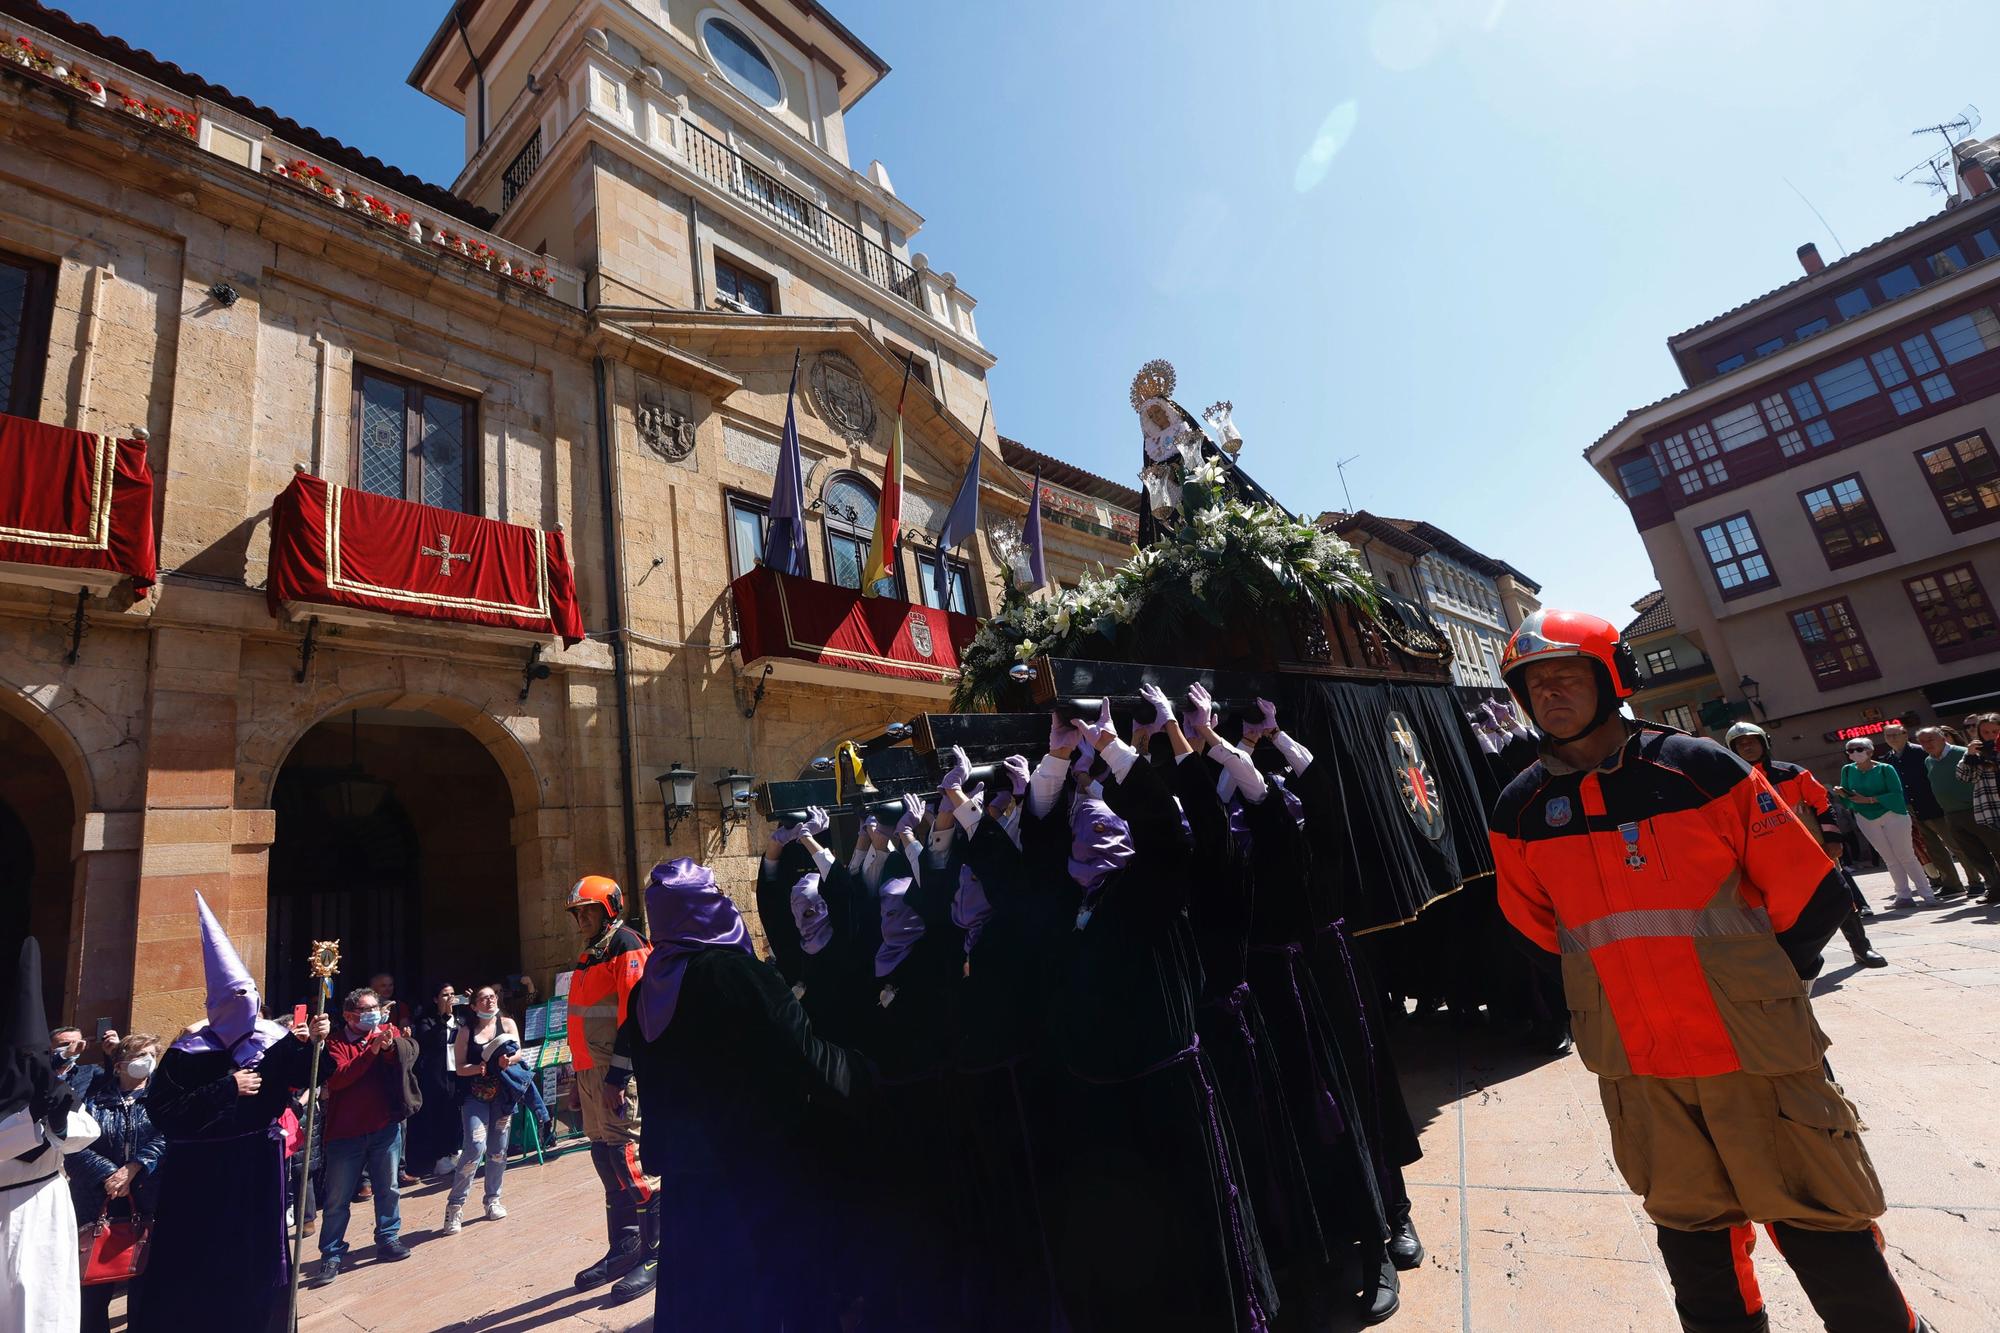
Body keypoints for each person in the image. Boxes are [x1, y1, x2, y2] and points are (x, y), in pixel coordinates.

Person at [1489, 609, 1930, 1333]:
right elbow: (1537, 931)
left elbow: (1811, 890)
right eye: (1534, 685)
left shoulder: (1697, 767)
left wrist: (1753, 989)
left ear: (1614, 678)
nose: (1550, 695)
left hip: (1756, 1055)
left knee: (1822, 1223)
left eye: (1568, 677)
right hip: (1640, 1066)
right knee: (1694, 1244)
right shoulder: (1521, 809)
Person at [614, 857, 869, 1332]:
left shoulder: (649, 987)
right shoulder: (735, 973)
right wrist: (871, 1073)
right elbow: (804, 1054)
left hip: (691, 1174)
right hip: (755, 1168)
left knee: (705, 1293)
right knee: (776, 1289)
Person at [136, 892, 328, 1331]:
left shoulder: (271, 1038)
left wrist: (315, 1040)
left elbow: (314, 1074)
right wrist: (228, 1087)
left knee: (260, 1263)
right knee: (200, 1262)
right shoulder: (188, 1051)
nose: (247, 1002)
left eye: (251, 993)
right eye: (236, 995)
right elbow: (164, 1111)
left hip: (257, 1166)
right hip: (202, 1172)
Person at [563, 874, 659, 1304]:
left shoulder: (627, 945)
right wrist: (575, 1074)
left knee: (628, 1157)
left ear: (609, 909)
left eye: (588, 910)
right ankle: (624, 1247)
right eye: (577, 912)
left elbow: (635, 1016)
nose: (581, 917)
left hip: (615, 1074)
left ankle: (656, 1254)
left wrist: (618, 1077)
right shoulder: (590, 952)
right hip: (589, 1072)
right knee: (604, 1155)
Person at [1725, 722, 1885, 969]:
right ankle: (1794, 959)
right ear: (1732, 750)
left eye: (1752, 741)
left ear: (1764, 743)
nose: (1747, 747)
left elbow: (1822, 803)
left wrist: (1832, 839)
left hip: (1813, 849)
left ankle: (1862, 948)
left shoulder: (1791, 772)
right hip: (1768, 859)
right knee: (1779, 908)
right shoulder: (1731, 787)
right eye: (1741, 744)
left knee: (1837, 897)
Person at [3, 938, 101, 1333]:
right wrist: (28, 1118)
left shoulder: (54, 1088)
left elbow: (86, 1132)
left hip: (41, 1202)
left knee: (40, 1303)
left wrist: (56, 1112)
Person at [309, 987, 415, 1289]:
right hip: (346, 1134)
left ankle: (388, 1238)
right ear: (348, 1015)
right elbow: (340, 1078)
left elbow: (404, 1060)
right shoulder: (335, 1043)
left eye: (376, 1008)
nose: (374, 1014)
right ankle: (331, 1254)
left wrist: (391, 1048)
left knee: (388, 1188)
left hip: (384, 1127)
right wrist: (370, 1052)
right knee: (337, 1199)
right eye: (367, 1009)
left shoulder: (385, 1030)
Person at [70, 1032, 164, 1333]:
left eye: (151, 1055)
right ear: (118, 1065)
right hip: (99, 1200)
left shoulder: (162, 1099)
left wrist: (135, 1167)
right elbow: (74, 1142)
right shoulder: (93, 1098)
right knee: (94, 1287)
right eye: (138, 1056)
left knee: (146, 1286)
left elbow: (170, 1137)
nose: (145, 1062)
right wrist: (109, 1173)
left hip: (148, 1197)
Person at [442, 986, 520, 1233]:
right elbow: (459, 1067)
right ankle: (455, 1206)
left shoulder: (507, 1024)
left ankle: (493, 1199)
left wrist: (509, 1060)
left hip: (503, 1095)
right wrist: (479, 1068)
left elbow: (518, 1052)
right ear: (474, 1005)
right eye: (484, 998)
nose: (490, 1000)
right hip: (474, 1095)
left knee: (498, 1149)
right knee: (475, 1146)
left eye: (493, 996)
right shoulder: (465, 1031)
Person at [1836, 738, 1938, 908]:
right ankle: (1903, 896)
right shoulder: (1847, 770)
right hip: (1866, 817)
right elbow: (1847, 799)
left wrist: (1869, 799)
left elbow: (1897, 794)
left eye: (1859, 749)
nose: (1855, 753)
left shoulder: (1885, 769)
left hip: (1893, 814)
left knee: (1906, 855)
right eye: (1850, 751)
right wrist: (1844, 795)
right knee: (1889, 858)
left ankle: (1927, 894)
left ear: (1870, 751)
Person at [1919, 725, 2000, 904]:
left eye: (1930, 740)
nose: (1927, 744)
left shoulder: (1963, 753)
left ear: (1942, 738)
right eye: (1922, 742)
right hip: (1951, 815)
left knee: (1996, 848)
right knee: (1975, 854)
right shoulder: (1929, 761)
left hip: (1976, 810)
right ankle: (1994, 888)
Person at [1880, 721, 1962, 897]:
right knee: (1932, 848)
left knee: (1955, 844)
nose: (1892, 738)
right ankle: (1951, 884)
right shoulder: (1888, 759)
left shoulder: (1920, 751)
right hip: (1911, 809)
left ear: (1904, 734)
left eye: (1896, 734)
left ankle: (1976, 881)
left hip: (1933, 804)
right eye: (1888, 736)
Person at [407, 983, 464, 1178]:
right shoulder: (426, 1021)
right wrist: (445, 1017)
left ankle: (456, 1151)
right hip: (437, 1074)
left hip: (457, 1070)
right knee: (440, 1113)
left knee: (457, 1112)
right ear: (435, 999)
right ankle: (441, 1157)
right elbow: (434, 1041)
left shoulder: (460, 1018)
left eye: (452, 994)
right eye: (445, 995)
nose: (449, 998)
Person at [49, 1026, 103, 1103]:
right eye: (65, 1044)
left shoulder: (90, 1071)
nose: (72, 1048)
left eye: (77, 1044)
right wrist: (65, 1055)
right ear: (50, 1048)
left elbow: (115, 1081)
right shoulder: (40, 1069)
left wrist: (113, 1052)